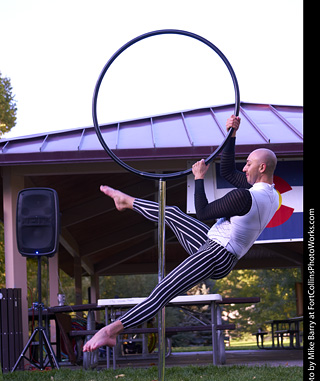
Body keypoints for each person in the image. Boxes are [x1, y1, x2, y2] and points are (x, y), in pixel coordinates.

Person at [83, 115, 279, 352]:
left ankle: (109, 331)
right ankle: (126, 201)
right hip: (215, 245)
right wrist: (231, 134)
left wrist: (198, 178)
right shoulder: (270, 195)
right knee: (174, 213)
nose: (244, 168)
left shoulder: (244, 197)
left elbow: (204, 212)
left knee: (162, 291)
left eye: (248, 164)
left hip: (217, 254)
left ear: (262, 167)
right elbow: (228, 171)